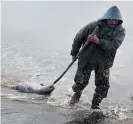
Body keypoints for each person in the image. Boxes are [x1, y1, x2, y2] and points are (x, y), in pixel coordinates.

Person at [69, 5, 126, 109]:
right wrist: (74, 53)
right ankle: (76, 96)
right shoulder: (92, 26)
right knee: (80, 82)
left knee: (103, 86)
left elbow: (114, 46)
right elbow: (78, 38)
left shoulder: (120, 31)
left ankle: (95, 106)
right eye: (112, 19)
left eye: (116, 20)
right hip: (86, 59)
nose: (114, 22)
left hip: (104, 62)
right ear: (107, 18)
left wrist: (97, 41)